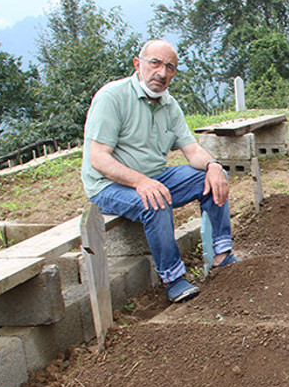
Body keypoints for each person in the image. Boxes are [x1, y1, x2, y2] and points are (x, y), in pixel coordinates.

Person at [81, 39, 239, 303]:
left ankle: (221, 255)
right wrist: (140, 182)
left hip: (154, 177)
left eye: (170, 67)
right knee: (155, 200)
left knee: (212, 178)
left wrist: (213, 165)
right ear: (138, 64)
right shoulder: (112, 97)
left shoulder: (169, 104)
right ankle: (173, 278)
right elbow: (99, 159)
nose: (162, 73)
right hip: (108, 185)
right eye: (154, 63)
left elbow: (192, 151)